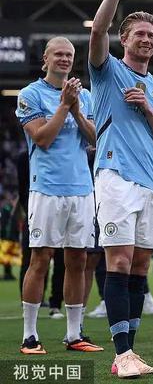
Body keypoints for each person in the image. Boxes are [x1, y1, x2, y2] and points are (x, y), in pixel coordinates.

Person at [89, 0, 153, 377]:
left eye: (151, 35)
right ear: (124, 39)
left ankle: (131, 353)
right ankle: (121, 354)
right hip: (115, 177)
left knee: (140, 268)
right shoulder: (107, 72)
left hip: (151, 184)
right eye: (139, 33)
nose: (146, 39)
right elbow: (97, 30)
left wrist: (149, 110)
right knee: (120, 263)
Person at [16, 36, 102, 354]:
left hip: (82, 189)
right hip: (47, 189)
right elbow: (42, 138)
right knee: (41, 258)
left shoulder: (85, 96)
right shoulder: (30, 94)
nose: (65, 59)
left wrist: (76, 110)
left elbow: (95, 139)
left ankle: (73, 334)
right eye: (59, 54)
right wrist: (65, 106)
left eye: (69, 55)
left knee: (78, 260)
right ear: (46, 59)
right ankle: (29, 336)